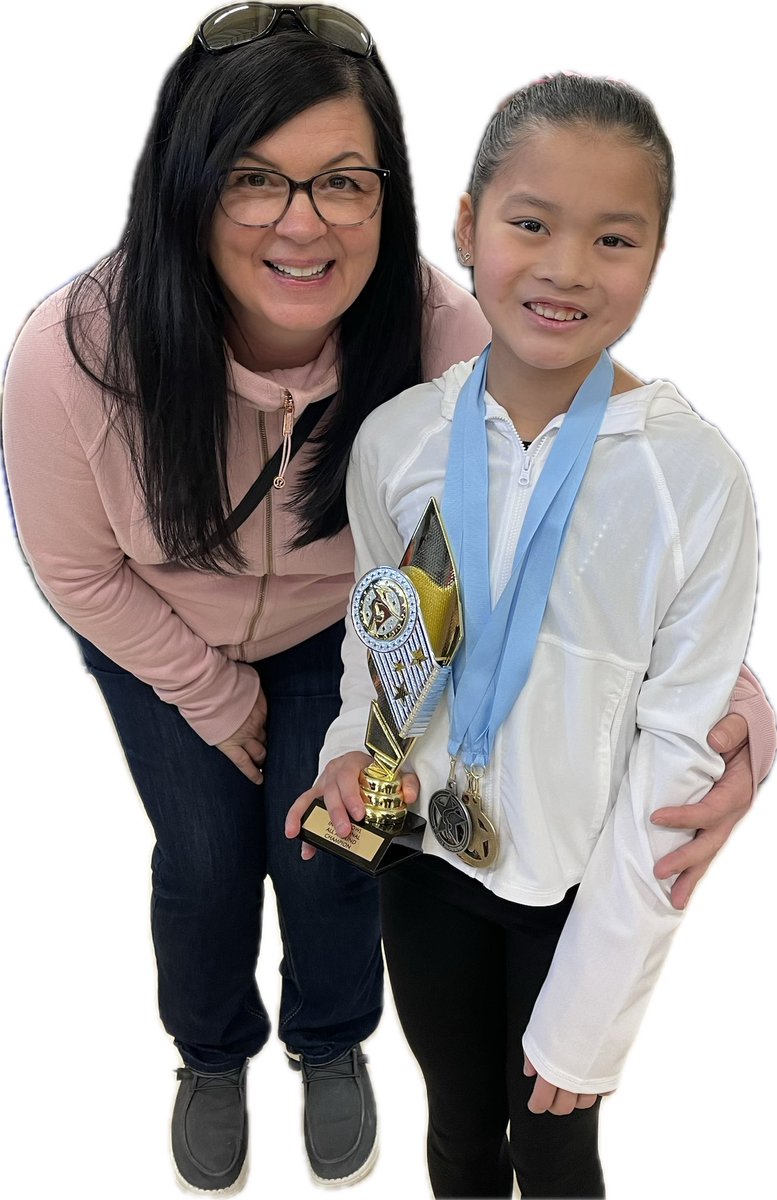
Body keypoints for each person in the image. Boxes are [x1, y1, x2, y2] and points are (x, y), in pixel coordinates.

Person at [0, 6, 771, 1195]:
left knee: (333, 853)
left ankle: (328, 1041)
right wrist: (216, 697)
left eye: (344, 182)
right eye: (255, 177)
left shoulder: (442, 333)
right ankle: (211, 1052)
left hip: (344, 630)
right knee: (205, 860)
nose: (302, 222)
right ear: (186, 186)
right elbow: (78, 569)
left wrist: (735, 698)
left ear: (394, 197)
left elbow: (557, 524)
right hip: (161, 631)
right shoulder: (73, 356)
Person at [287, 73, 769, 1198]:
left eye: (614, 238)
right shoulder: (398, 443)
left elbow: (677, 756)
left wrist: (593, 1008)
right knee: (458, 1128)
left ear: (656, 256)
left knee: (552, 1149)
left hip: (577, 891)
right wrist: (352, 752)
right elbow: (379, 647)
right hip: (425, 864)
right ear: (467, 227)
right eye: (531, 223)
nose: (566, 268)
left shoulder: (693, 480)